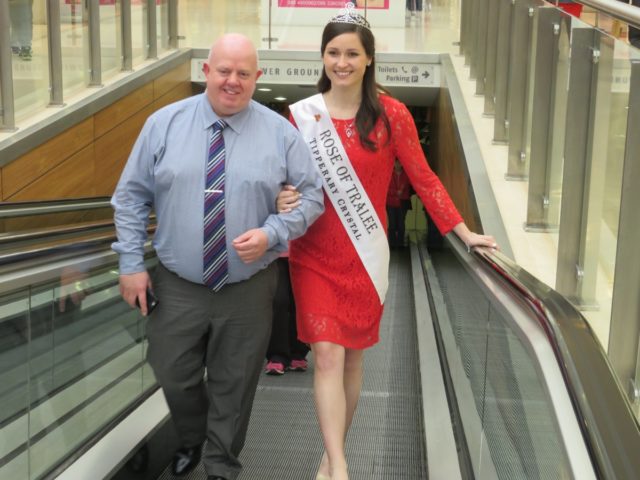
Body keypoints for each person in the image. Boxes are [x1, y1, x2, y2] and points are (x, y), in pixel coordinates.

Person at [278, 5, 497, 480]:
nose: (342, 62)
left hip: (364, 253)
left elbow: (424, 178)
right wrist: (283, 195)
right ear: (322, 57)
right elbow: (280, 180)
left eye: (352, 53)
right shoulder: (302, 119)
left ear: (369, 58)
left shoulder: (392, 115)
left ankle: (330, 454)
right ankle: (338, 465)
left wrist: (463, 231)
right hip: (313, 253)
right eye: (333, 52)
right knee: (327, 355)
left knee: (352, 358)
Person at [111, 33, 324, 480]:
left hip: (248, 287)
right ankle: (192, 437)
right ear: (206, 71)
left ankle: (220, 465)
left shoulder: (281, 134)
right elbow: (130, 198)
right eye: (223, 70)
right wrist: (131, 264)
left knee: (236, 383)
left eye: (243, 73)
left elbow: (311, 197)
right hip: (177, 283)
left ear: (257, 78)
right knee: (172, 370)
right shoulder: (163, 124)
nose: (232, 81)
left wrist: (273, 233)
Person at [264, 254, 310, 375]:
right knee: (278, 300)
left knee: (301, 299)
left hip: (305, 251)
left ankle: (298, 351)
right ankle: (277, 354)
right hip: (275, 252)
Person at [385, 159, 412, 248]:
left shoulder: (406, 174)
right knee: (392, 224)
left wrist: (401, 192)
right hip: (391, 203)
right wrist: (396, 192)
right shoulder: (388, 173)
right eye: (396, 162)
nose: (398, 164)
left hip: (402, 203)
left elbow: (409, 188)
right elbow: (386, 188)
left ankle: (400, 245)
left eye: (399, 162)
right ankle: (392, 245)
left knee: (401, 224)